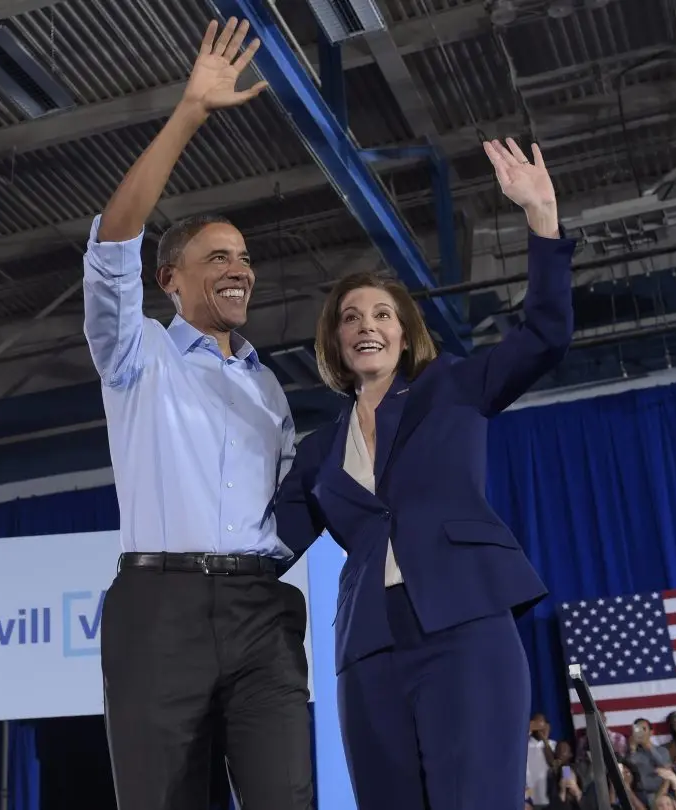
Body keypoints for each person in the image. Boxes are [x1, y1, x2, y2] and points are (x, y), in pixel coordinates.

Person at [274, 137, 574, 809]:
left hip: (464, 630)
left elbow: (546, 336)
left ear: (406, 334)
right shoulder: (321, 450)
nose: (366, 325)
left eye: (382, 314)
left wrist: (542, 216)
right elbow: (266, 546)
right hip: (369, 650)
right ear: (336, 343)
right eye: (350, 318)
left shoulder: (454, 390)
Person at [84, 18, 312, 810]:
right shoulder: (134, 352)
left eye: (245, 257)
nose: (240, 269)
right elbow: (112, 239)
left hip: (262, 611)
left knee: (288, 795)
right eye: (218, 256)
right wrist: (190, 112)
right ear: (170, 280)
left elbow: (297, 507)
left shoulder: (268, 389)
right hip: (159, 611)